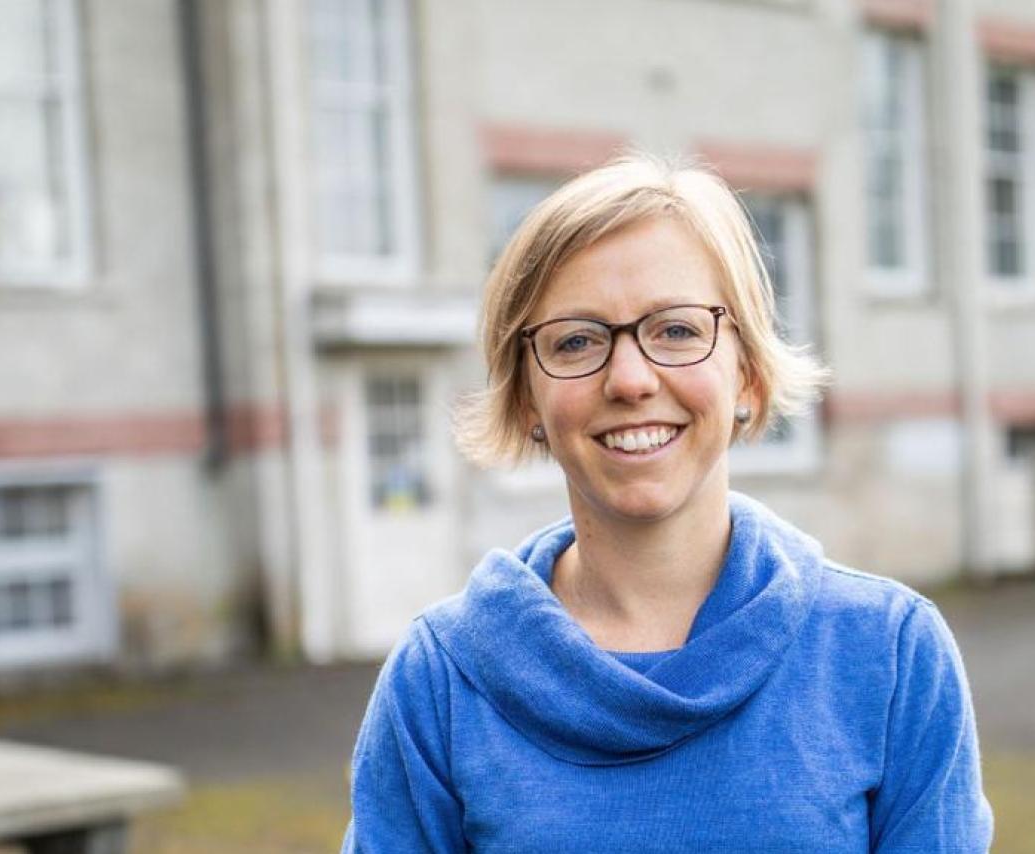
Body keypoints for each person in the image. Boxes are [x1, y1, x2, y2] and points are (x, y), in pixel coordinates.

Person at [341, 154, 993, 853]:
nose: (629, 378)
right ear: (527, 395)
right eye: (577, 340)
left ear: (745, 372)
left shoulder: (889, 658)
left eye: (677, 330)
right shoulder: (439, 682)